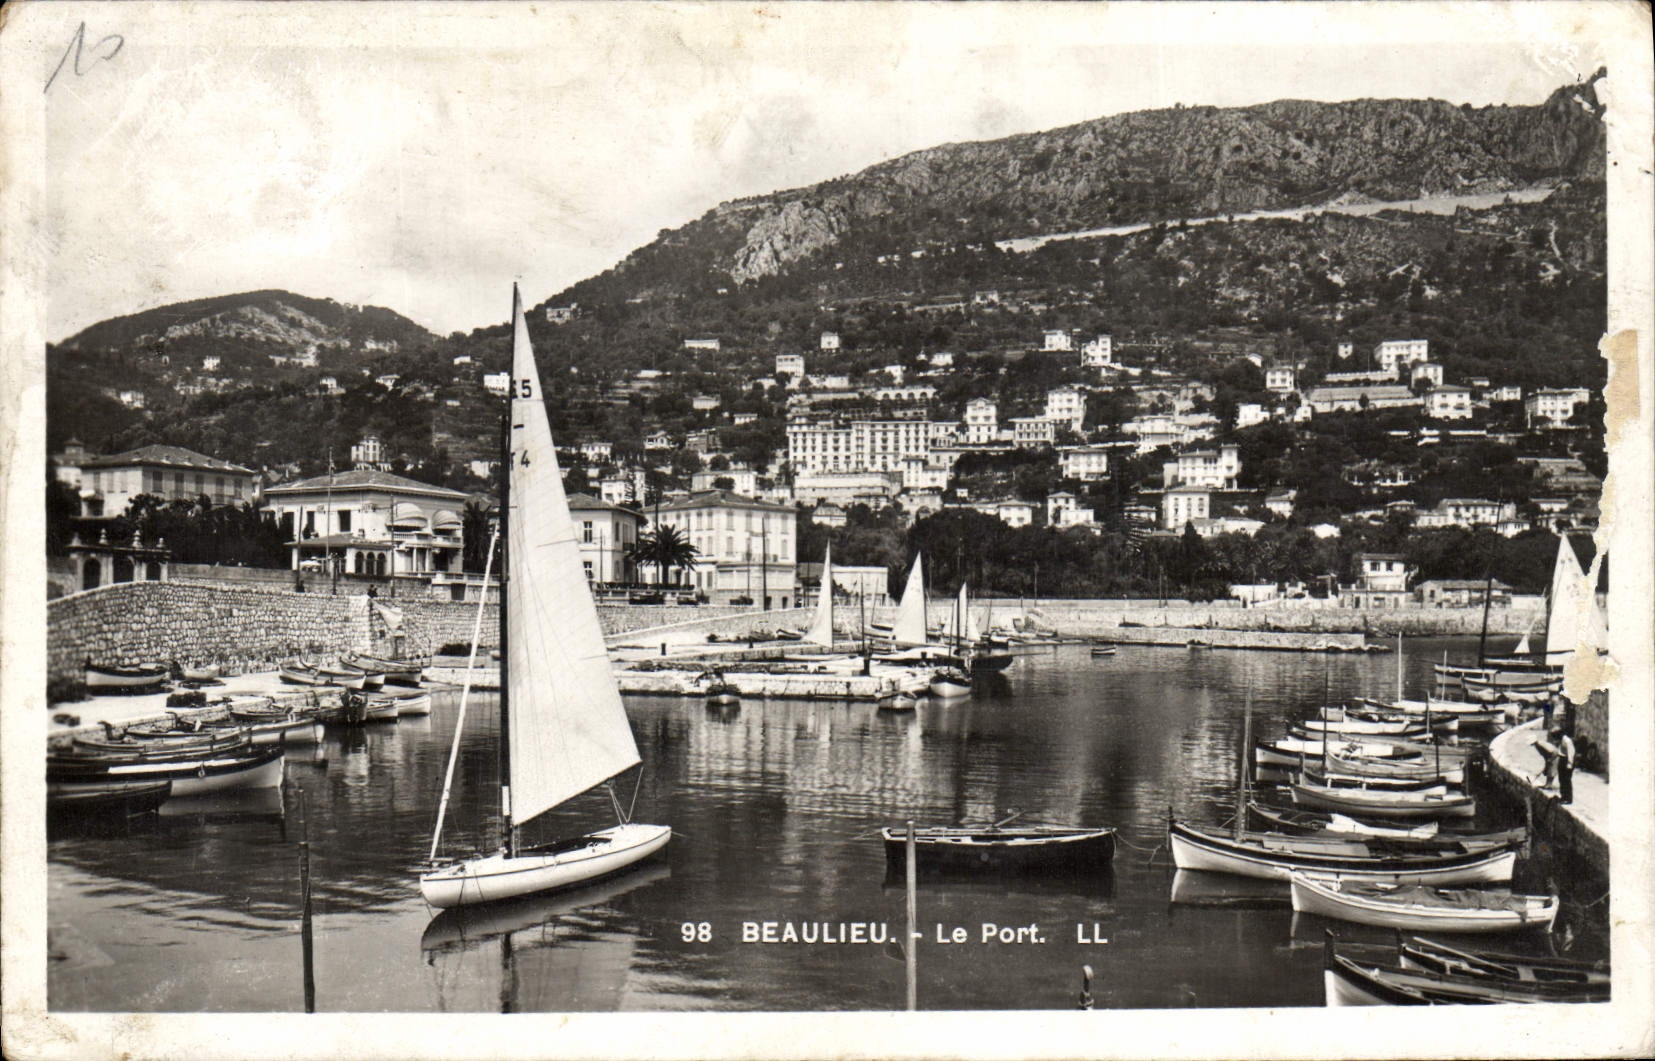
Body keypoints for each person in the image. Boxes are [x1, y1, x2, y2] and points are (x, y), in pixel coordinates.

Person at [1557, 729, 1577, 805]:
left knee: (1566, 780)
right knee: (1561, 779)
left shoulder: (1567, 741)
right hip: (1562, 760)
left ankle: (1568, 799)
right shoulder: (1561, 740)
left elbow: (1571, 753)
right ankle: (1563, 796)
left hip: (1566, 761)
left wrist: (1569, 764)